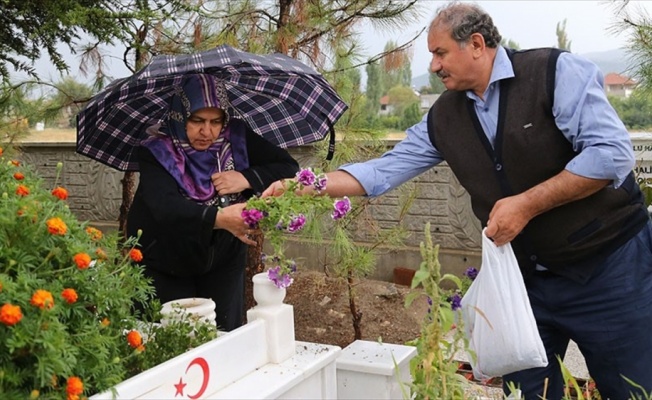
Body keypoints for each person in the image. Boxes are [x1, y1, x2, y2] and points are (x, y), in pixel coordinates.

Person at [264, 2, 652, 399]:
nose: (433, 66)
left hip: (609, 271)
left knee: (633, 389)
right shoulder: (444, 117)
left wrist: (527, 204)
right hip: (524, 285)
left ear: (478, 44)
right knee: (526, 393)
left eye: (440, 52)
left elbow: (610, 155)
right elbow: (384, 170)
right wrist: (304, 185)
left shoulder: (554, 73)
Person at [127, 73, 299, 332]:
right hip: (165, 260)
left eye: (216, 122)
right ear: (179, 115)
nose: (207, 132)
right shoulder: (157, 151)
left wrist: (245, 177)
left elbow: (288, 167)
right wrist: (218, 219)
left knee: (224, 336)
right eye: (197, 120)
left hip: (223, 258)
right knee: (171, 339)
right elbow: (164, 207)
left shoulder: (237, 140)